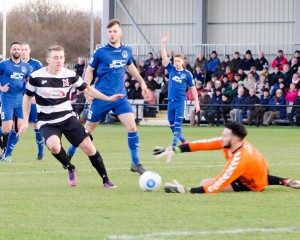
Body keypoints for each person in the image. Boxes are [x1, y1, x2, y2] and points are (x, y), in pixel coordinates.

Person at [18, 45, 123, 188]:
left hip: (67, 118)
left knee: (89, 148)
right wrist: (24, 120)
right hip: (46, 120)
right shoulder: (36, 77)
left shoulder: (70, 75)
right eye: (55, 57)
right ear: (48, 59)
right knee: (54, 146)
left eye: (61, 57)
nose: (59, 60)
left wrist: (108, 98)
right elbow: (27, 98)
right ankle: (70, 167)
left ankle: (106, 180)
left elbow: (88, 89)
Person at [67, 19, 148, 174]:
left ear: (120, 32)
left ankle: (135, 162)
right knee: (87, 130)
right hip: (101, 97)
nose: (112, 34)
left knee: (131, 126)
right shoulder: (100, 52)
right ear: (107, 33)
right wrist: (86, 89)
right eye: (109, 32)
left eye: (115, 31)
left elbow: (130, 67)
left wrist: (142, 82)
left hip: (120, 97)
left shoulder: (127, 51)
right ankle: (70, 152)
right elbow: (90, 70)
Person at [154, 122, 300, 194]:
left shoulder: (239, 161)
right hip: (258, 168)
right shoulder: (231, 143)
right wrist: (176, 149)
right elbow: (202, 144)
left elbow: (215, 186)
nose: (221, 137)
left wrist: (187, 190)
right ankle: (285, 181)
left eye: (225, 135)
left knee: (205, 182)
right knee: (258, 174)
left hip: (253, 182)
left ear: (235, 140)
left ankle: (283, 181)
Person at [161, 32, 200, 146]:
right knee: (172, 125)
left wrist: (197, 103)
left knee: (178, 126)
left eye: (178, 61)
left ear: (183, 62)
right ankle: (184, 141)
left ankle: (173, 147)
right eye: (175, 61)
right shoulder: (171, 69)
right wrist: (163, 44)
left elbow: (193, 89)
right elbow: (164, 57)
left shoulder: (187, 74)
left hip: (180, 102)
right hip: (170, 102)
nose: (176, 63)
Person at [0, 42, 31, 162]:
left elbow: (29, 82)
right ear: (11, 51)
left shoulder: (26, 67)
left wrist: (31, 94)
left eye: (19, 49)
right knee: (6, 129)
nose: (17, 51)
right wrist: (1, 88)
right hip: (7, 99)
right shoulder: (3, 65)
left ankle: (6, 155)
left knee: (20, 129)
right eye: (15, 49)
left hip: (20, 99)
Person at [21, 43, 45, 160]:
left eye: (26, 49)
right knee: (13, 126)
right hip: (19, 101)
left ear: (29, 50)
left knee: (37, 126)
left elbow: (43, 80)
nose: (24, 51)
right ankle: (6, 153)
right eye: (22, 49)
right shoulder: (15, 64)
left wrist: (38, 97)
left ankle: (40, 154)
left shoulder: (36, 64)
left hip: (34, 101)